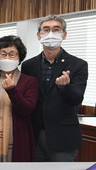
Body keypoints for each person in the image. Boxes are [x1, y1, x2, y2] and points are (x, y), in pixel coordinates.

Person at [21, 15, 88, 161]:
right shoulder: (28, 65)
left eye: (56, 29)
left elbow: (77, 98)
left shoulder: (78, 65)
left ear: (64, 35)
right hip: (34, 134)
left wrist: (65, 87)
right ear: (38, 35)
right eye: (46, 29)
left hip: (63, 137)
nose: (50, 33)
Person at [0, 36, 39, 162]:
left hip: (17, 141)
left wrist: (12, 90)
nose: (7, 58)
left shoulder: (29, 81)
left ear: (19, 57)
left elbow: (27, 110)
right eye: (3, 54)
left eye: (12, 54)